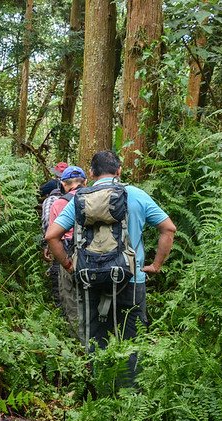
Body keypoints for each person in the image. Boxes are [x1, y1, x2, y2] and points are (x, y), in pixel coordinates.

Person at [44, 150, 176, 385]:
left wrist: (68, 264)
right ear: (119, 171)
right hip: (132, 280)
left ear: (92, 173)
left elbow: (52, 235)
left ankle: (100, 393)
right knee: (132, 342)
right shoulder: (135, 195)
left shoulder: (79, 199)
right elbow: (169, 229)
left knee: (96, 341)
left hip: (91, 280)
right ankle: (130, 398)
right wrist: (155, 265)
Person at [47, 165, 87, 329]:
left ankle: (78, 340)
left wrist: (66, 264)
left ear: (63, 184)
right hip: (95, 253)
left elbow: (51, 234)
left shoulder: (58, 204)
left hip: (68, 253)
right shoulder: (95, 198)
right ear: (85, 182)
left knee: (70, 298)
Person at [39, 161, 69, 307]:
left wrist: (46, 244)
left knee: (57, 272)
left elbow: (47, 224)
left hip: (57, 240)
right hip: (73, 241)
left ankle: (60, 307)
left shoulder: (50, 196)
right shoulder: (75, 197)